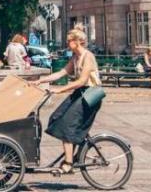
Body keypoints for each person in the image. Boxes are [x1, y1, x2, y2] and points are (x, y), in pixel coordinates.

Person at [34, 28, 102, 174]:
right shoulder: (75, 57)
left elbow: (82, 80)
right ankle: (78, 147)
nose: (67, 43)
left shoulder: (87, 56)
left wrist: (60, 90)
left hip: (91, 95)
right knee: (56, 117)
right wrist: (42, 80)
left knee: (67, 125)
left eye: (70, 40)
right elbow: (62, 72)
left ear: (78, 42)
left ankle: (68, 163)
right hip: (81, 93)